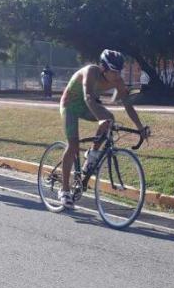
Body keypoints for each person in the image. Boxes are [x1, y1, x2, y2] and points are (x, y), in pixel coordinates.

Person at [57, 50, 149, 209]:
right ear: (103, 67)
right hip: (70, 105)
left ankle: (92, 155)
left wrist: (140, 128)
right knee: (73, 146)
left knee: (110, 118)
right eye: (113, 71)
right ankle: (64, 190)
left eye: (119, 71)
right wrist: (101, 118)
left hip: (88, 106)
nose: (116, 75)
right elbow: (88, 98)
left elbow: (128, 105)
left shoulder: (118, 81)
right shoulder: (91, 71)